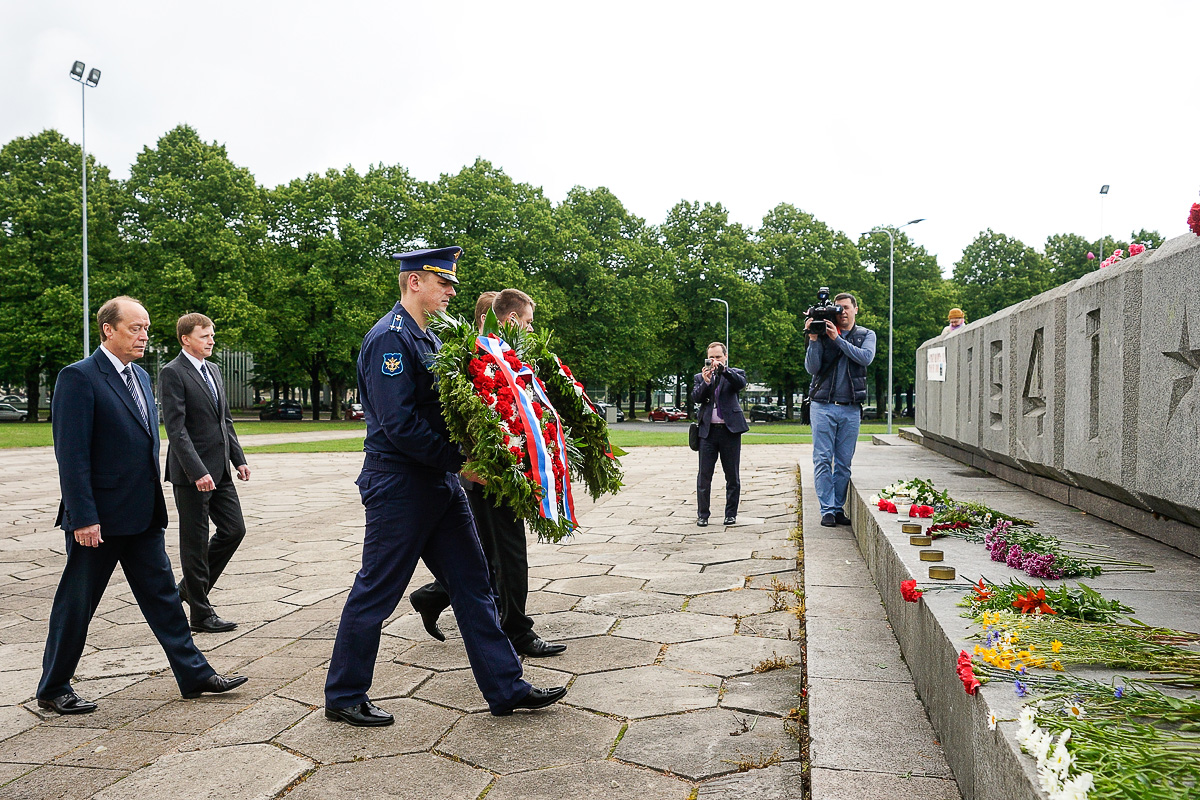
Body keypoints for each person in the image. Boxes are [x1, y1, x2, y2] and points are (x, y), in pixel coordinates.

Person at [323, 247, 567, 727]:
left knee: (475, 585)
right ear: (414, 282)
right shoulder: (390, 341)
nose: (453, 291)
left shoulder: (428, 338)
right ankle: (344, 694)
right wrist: (464, 462)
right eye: (443, 283)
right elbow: (400, 425)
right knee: (377, 589)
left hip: (438, 481)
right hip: (399, 484)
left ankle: (506, 687)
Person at [37, 296, 247, 715]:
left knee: (165, 602)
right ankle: (54, 686)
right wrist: (83, 516)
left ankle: (194, 674)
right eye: (135, 328)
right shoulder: (79, 378)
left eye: (146, 328)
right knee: (77, 605)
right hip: (99, 522)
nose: (145, 336)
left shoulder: (138, 377)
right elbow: (72, 455)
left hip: (143, 515)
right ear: (108, 330)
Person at [409, 288, 567, 657]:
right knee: (508, 553)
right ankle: (516, 631)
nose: (530, 330)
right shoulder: (478, 356)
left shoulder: (508, 356)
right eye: (528, 323)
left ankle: (432, 597)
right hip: (488, 471)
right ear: (509, 319)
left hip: (502, 467)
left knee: (485, 552)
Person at [160, 313, 251, 634]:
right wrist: (196, 470)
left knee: (234, 530)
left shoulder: (213, 370)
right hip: (191, 474)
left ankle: (189, 589)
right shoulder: (172, 373)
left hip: (221, 470)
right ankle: (200, 613)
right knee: (195, 543)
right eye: (205, 336)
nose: (211, 340)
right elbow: (176, 428)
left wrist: (238, 459)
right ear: (186, 339)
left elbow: (225, 420)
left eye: (212, 335)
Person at [804, 293, 877, 527]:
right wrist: (814, 339)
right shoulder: (822, 333)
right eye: (839, 309)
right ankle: (827, 509)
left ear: (856, 309)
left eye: (846, 308)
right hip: (822, 405)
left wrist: (837, 339)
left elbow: (865, 358)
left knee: (844, 462)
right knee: (823, 459)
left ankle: (837, 508)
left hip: (850, 408)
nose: (842, 312)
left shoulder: (866, 335)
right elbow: (812, 368)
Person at [691, 342, 748, 526]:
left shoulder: (735, 373)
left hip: (729, 431)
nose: (714, 361)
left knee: (732, 475)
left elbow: (740, 385)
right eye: (711, 358)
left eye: (717, 357)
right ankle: (702, 515)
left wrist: (723, 370)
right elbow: (696, 398)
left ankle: (730, 514)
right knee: (704, 476)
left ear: (725, 357)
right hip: (707, 432)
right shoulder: (700, 377)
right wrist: (706, 382)